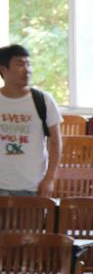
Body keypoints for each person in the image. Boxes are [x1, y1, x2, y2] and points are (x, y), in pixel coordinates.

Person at [0, 43, 61, 197]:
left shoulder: (43, 100)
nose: (27, 70)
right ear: (3, 69)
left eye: (28, 64)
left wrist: (49, 179)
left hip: (33, 185)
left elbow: (55, 142)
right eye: (20, 64)